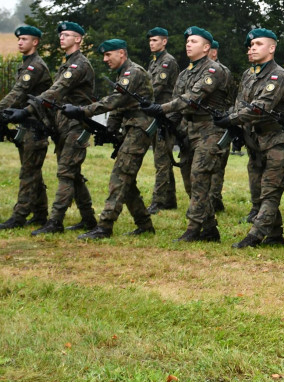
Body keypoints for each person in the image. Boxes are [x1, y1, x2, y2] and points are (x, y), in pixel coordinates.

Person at [143, 27, 230, 242]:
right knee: (191, 184)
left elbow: (192, 98)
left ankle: (193, 229)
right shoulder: (184, 73)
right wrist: (166, 124)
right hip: (188, 131)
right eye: (187, 41)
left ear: (206, 47)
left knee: (199, 177)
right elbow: (178, 103)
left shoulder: (214, 70)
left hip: (210, 130)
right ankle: (209, 229)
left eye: (193, 41)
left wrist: (161, 109)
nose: (188, 44)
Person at [215, 29, 284, 248]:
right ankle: (275, 236)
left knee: (271, 191)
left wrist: (231, 119)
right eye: (251, 45)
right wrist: (235, 125)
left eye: (258, 44)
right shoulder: (248, 74)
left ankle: (255, 235)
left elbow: (260, 108)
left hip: (278, 141)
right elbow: (240, 103)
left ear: (272, 48)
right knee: (259, 191)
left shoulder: (277, 75)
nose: (252, 48)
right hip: (256, 140)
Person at [65, 39, 156, 239]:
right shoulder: (123, 73)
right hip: (132, 128)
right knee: (127, 179)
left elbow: (115, 100)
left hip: (139, 129)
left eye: (108, 55)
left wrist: (82, 111)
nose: (105, 59)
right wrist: (109, 129)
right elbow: (120, 106)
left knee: (120, 176)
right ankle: (144, 224)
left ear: (121, 53)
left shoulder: (133, 72)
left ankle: (104, 226)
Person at [18, 21, 97, 235]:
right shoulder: (67, 63)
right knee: (73, 174)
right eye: (61, 35)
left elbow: (57, 90)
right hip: (65, 124)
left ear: (78, 39)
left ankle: (55, 222)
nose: (62, 38)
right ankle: (89, 219)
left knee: (65, 173)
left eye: (67, 35)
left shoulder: (78, 64)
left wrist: (27, 109)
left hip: (76, 125)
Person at [0, 25, 52, 229]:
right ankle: (40, 213)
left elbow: (18, 93)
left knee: (28, 172)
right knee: (33, 171)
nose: (20, 42)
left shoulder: (35, 67)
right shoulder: (26, 64)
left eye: (24, 39)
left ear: (35, 42)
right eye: (19, 39)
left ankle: (19, 216)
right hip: (27, 125)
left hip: (35, 126)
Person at [145, 27, 180, 214]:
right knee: (162, 158)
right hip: (155, 115)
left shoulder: (167, 62)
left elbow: (156, 88)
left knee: (162, 160)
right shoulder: (154, 62)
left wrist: (140, 99)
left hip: (164, 115)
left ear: (164, 42)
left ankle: (158, 202)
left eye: (155, 40)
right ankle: (169, 199)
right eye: (150, 41)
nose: (152, 43)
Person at [208, 39, 232, 213]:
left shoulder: (222, 72)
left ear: (213, 52)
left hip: (219, 124)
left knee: (217, 165)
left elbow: (230, 99)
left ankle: (214, 199)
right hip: (201, 125)